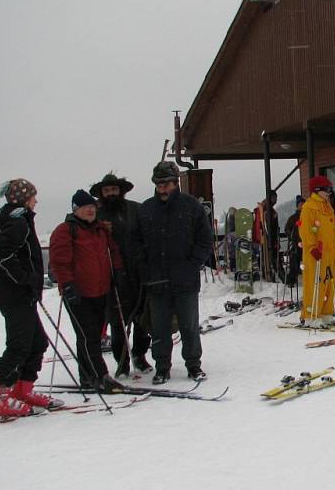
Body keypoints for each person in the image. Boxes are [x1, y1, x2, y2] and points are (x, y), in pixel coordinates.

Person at [0, 179, 63, 415]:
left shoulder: (6, 220)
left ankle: (22, 389)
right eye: (33, 196)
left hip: (18, 295)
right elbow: (0, 254)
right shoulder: (17, 222)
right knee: (19, 345)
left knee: (37, 343)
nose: (36, 201)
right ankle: (0, 397)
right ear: (24, 199)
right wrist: (25, 278)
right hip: (16, 296)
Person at [130, 161, 213, 385]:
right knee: (159, 329)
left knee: (189, 326)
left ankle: (194, 365)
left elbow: (205, 239)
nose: (162, 188)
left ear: (175, 183)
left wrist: (193, 263)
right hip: (156, 281)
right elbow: (135, 243)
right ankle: (162, 368)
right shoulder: (146, 209)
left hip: (185, 280)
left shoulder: (191, 206)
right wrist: (143, 267)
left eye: (166, 183)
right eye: (158, 184)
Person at [49, 189, 126, 391]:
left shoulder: (100, 230)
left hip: (101, 291)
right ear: (76, 209)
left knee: (92, 336)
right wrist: (67, 285)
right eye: (86, 207)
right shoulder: (65, 230)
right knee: (88, 336)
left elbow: (114, 251)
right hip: (78, 294)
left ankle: (87, 376)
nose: (91, 210)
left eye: (93, 207)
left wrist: (117, 271)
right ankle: (100, 376)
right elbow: (59, 261)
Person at [90, 173, 153, 377]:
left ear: (121, 191)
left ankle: (139, 356)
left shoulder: (136, 209)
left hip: (138, 273)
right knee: (117, 323)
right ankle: (122, 363)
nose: (111, 194)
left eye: (114, 190)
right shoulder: (96, 215)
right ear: (101, 193)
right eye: (107, 191)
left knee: (142, 320)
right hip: (113, 277)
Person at [299, 176, 335, 328]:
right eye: (327, 190)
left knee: (329, 282)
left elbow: (334, 227)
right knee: (315, 282)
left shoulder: (328, 206)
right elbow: (305, 230)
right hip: (316, 253)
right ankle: (311, 316)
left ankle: (326, 314)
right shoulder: (309, 207)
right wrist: (311, 247)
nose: (329, 193)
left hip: (330, 253)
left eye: (330, 190)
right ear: (318, 190)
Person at [254, 190, 280, 281]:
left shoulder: (266, 209)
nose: (276, 200)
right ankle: (268, 275)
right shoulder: (265, 210)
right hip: (266, 238)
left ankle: (268, 274)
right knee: (267, 258)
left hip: (266, 238)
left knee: (267, 257)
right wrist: (271, 240)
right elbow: (265, 226)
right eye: (274, 198)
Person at [284, 196, 304, 287]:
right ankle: (292, 280)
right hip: (296, 243)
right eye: (301, 204)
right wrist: (292, 237)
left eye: (304, 204)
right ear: (297, 206)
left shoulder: (308, 216)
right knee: (294, 263)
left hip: (307, 243)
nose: (302, 206)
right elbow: (287, 230)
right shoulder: (293, 218)